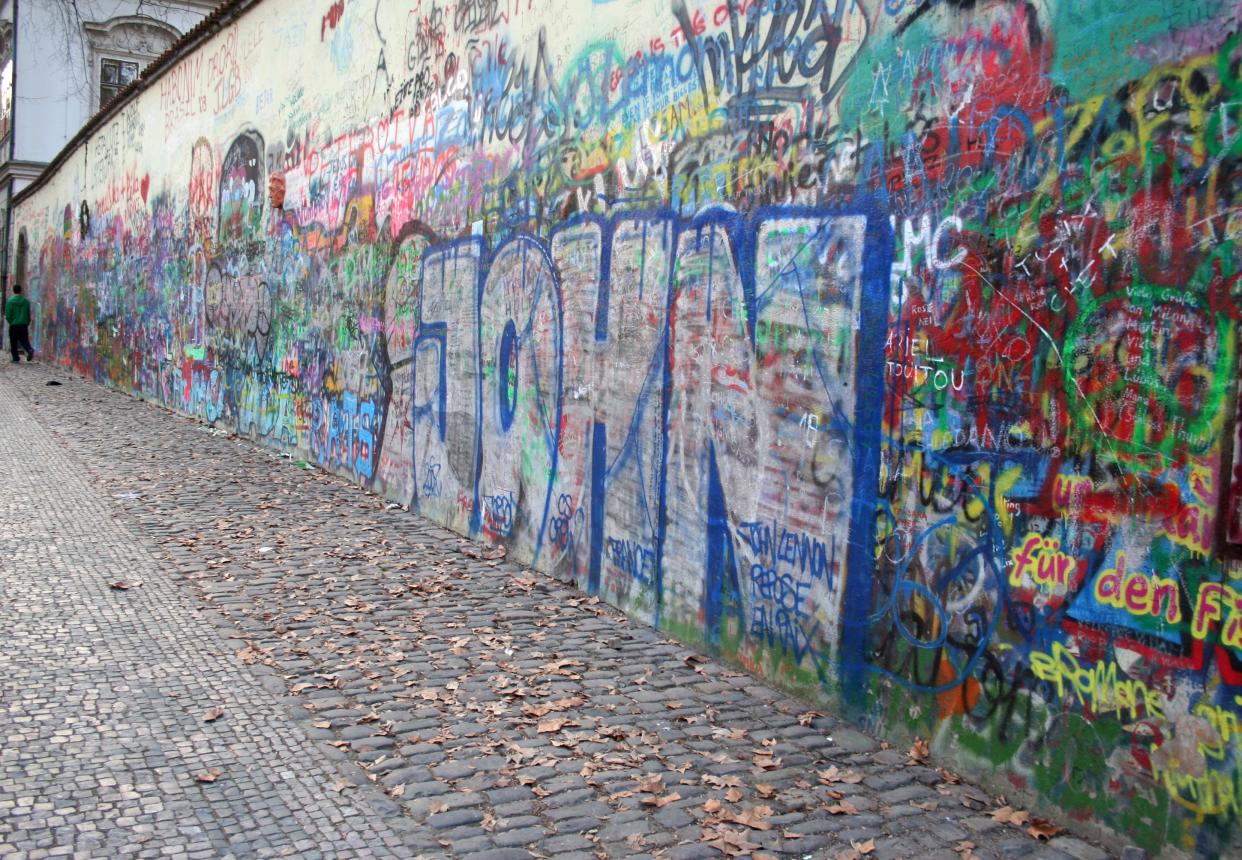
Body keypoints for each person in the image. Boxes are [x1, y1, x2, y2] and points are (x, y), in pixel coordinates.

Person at [5, 284, 34, 363]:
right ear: (20, 290)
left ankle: (15, 358)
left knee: (13, 342)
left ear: (13, 290)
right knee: (24, 340)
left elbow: (8, 314)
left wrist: (10, 321)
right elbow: (28, 313)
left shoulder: (10, 301)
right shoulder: (25, 301)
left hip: (14, 325)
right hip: (23, 324)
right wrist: (27, 322)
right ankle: (29, 349)